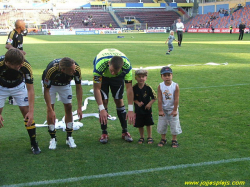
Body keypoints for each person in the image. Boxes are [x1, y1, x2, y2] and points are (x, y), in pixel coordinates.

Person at [0, 49, 41, 154]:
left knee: (26, 113)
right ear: (7, 63)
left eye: (21, 64)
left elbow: (30, 90)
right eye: (17, 65)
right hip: (1, 87)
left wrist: (31, 112)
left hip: (18, 87)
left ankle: (34, 143)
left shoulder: (25, 65)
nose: (20, 66)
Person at [93, 48, 135, 144]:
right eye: (111, 70)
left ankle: (125, 131)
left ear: (121, 67)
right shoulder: (100, 65)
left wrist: (131, 109)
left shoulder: (127, 67)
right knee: (104, 102)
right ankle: (104, 133)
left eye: (115, 71)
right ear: (109, 64)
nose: (112, 73)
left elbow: (129, 88)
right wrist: (101, 108)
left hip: (118, 78)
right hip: (103, 76)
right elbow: (96, 89)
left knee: (119, 100)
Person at [42, 57, 83, 149]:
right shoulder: (51, 70)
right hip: (51, 86)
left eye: (74, 68)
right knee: (51, 109)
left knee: (69, 107)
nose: (74, 71)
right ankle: (53, 138)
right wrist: (49, 109)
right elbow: (46, 90)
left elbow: (79, 87)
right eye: (71, 70)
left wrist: (79, 107)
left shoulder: (76, 69)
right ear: (63, 70)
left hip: (65, 85)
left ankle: (69, 137)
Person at [5, 20, 37, 105]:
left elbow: (27, 31)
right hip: (13, 58)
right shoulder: (13, 33)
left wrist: (33, 28)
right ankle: (11, 98)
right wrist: (18, 51)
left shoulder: (21, 33)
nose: (25, 26)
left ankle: (20, 94)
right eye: (24, 25)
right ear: (20, 27)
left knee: (21, 75)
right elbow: (7, 45)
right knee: (13, 76)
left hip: (20, 58)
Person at [157, 66, 182, 148]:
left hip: (172, 108)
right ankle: (163, 138)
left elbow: (176, 99)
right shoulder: (160, 86)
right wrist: (160, 110)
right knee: (162, 124)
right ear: (161, 76)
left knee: (174, 124)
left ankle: (174, 139)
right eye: (164, 75)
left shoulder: (175, 86)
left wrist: (175, 110)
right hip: (164, 109)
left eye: (169, 75)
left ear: (172, 75)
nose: (167, 77)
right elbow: (160, 99)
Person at [133, 69, 157, 144]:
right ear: (135, 78)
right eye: (139, 77)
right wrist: (138, 103)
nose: (141, 78)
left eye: (143, 76)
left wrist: (149, 104)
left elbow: (154, 97)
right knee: (140, 124)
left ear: (146, 78)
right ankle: (141, 137)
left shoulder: (148, 88)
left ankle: (150, 137)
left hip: (147, 110)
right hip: (138, 110)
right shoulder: (134, 88)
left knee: (148, 123)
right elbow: (132, 98)